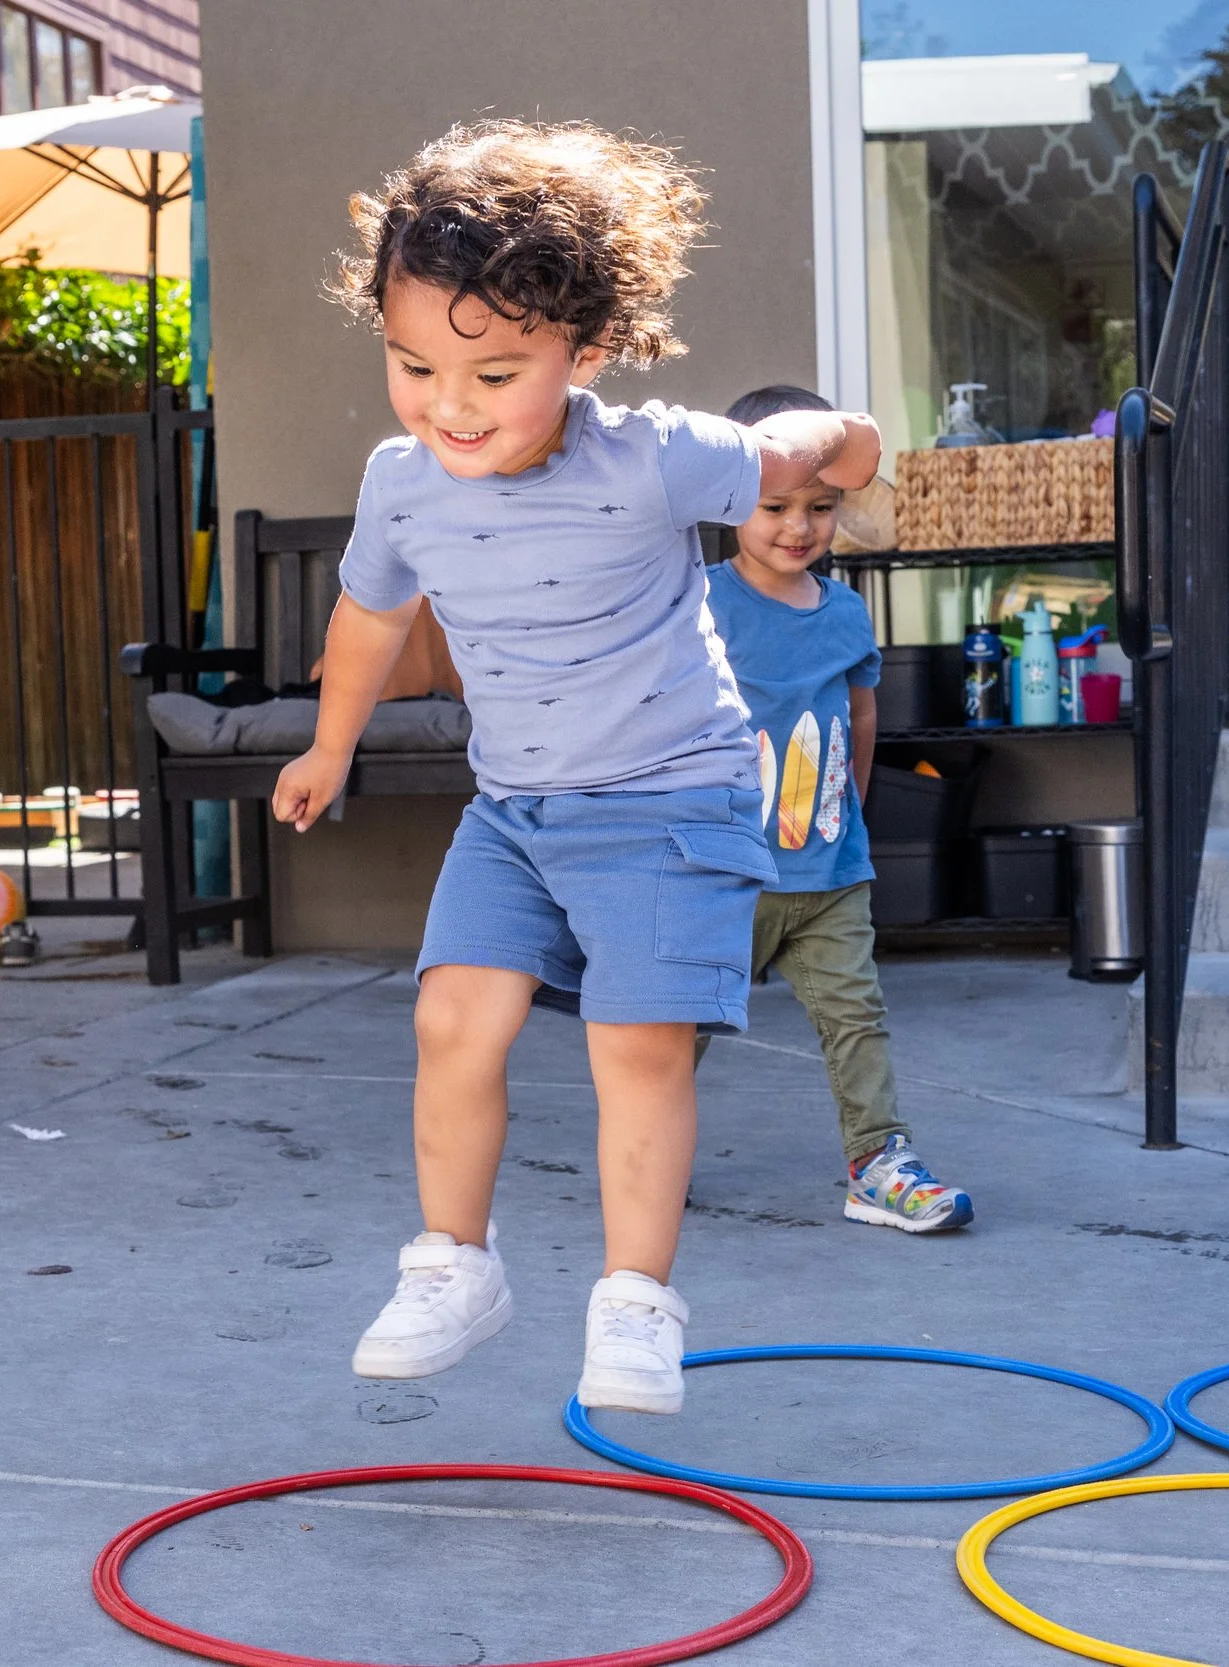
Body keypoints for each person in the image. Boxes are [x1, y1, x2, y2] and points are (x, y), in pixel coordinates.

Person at [271, 122, 881, 1415]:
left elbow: (817, 459)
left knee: (637, 1041)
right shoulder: (402, 483)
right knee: (452, 1016)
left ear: (584, 350)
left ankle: (636, 1303)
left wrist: (841, 430)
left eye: (494, 372)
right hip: (520, 809)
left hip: (673, 797)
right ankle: (455, 1264)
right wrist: (330, 745)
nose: (450, 404)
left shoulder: (657, 455)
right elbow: (370, 619)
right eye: (414, 363)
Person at [697, 383, 974, 1233]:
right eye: (775, 505)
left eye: (820, 506)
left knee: (856, 1016)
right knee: (673, 1034)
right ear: (731, 501)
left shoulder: (848, 613)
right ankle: (642, 1156)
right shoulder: (698, 600)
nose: (798, 526)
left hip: (826, 872)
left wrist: (848, 807)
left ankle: (878, 1162)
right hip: (723, 873)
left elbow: (860, 714)